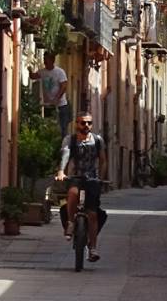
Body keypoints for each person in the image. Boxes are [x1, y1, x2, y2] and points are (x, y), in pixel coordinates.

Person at [56, 110, 107, 262]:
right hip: (75, 176)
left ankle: (93, 248)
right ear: (76, 124)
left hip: (92, 178)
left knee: (92, 214)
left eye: (89, 123)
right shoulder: (70, 139)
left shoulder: (97, 140)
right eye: (83, 122)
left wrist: (101, 178)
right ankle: (71, 222)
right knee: (72, 192)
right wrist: (61, 171)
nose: (86, 125)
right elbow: (65, 154)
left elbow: (103, 160)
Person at [30, 52, 70, 138]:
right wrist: (30, 70)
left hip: (61, 105)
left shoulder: (59, 72)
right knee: (49, 127)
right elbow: (33, 76)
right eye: (44, 59)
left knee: (63, 128)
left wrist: (57, 98)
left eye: (46, 59)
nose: (44, 61)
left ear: (52, 60)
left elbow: (64, 86)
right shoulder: (42, 72)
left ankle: (63, 144)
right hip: (48, 105)